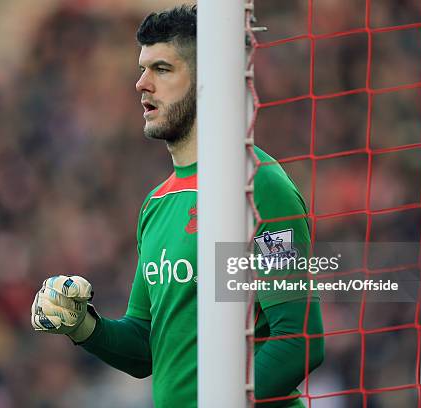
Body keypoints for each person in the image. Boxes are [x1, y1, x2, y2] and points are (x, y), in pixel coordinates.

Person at [30, 5, 324, 407]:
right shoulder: (157, 203)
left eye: (162, 69)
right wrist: (83, 326)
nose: (141, 84)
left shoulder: (259, 184)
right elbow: (147, 345)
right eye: (142, 69)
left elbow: (299, 340)